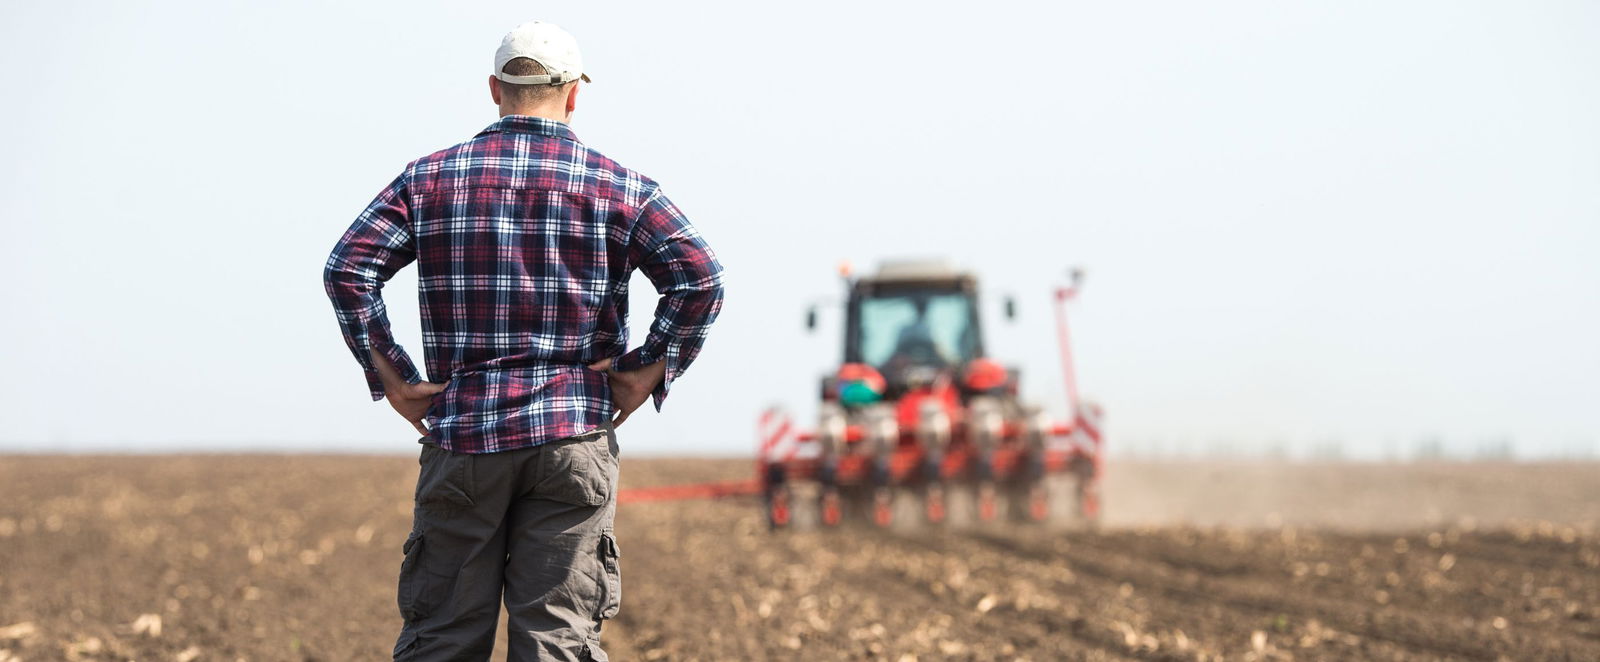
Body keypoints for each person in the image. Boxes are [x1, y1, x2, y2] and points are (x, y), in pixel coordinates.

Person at [322, 21, 725, 661]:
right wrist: (646, 370)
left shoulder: (428, 180)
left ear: (494, 89)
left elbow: (348, 268)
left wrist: (393, 379)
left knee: (443, 640)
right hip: (573, 435)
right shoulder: (620, 186)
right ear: (572, 95)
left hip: (465, 434)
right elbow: (699, 277)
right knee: (558, 641)